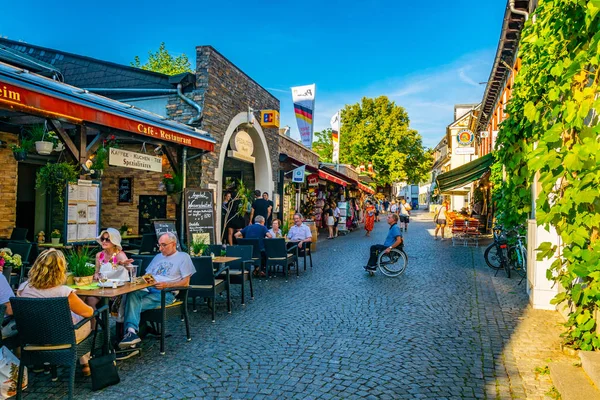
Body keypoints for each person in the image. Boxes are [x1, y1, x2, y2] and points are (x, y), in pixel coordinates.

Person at [18, 249, 94, 376]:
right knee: (85, 322)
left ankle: (42, 364)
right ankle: (85, 363)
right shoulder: (64, 292)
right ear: (60, 270)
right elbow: (88, 312)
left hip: (34, 337)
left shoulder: (23, 288)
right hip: (62, 337)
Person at [119, 232, 195, 349]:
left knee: (130, 304)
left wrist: (166, 285)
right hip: (149, 289)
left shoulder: (183, 257)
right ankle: (132, 333)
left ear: (173, 244)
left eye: (164, 245)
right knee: (132, 294)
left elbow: (186, 282)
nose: (160, 248)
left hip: (166, 293)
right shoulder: (157, 257)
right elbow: (147, 275)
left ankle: (129, 333)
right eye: (159, 245)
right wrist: (140, 281)